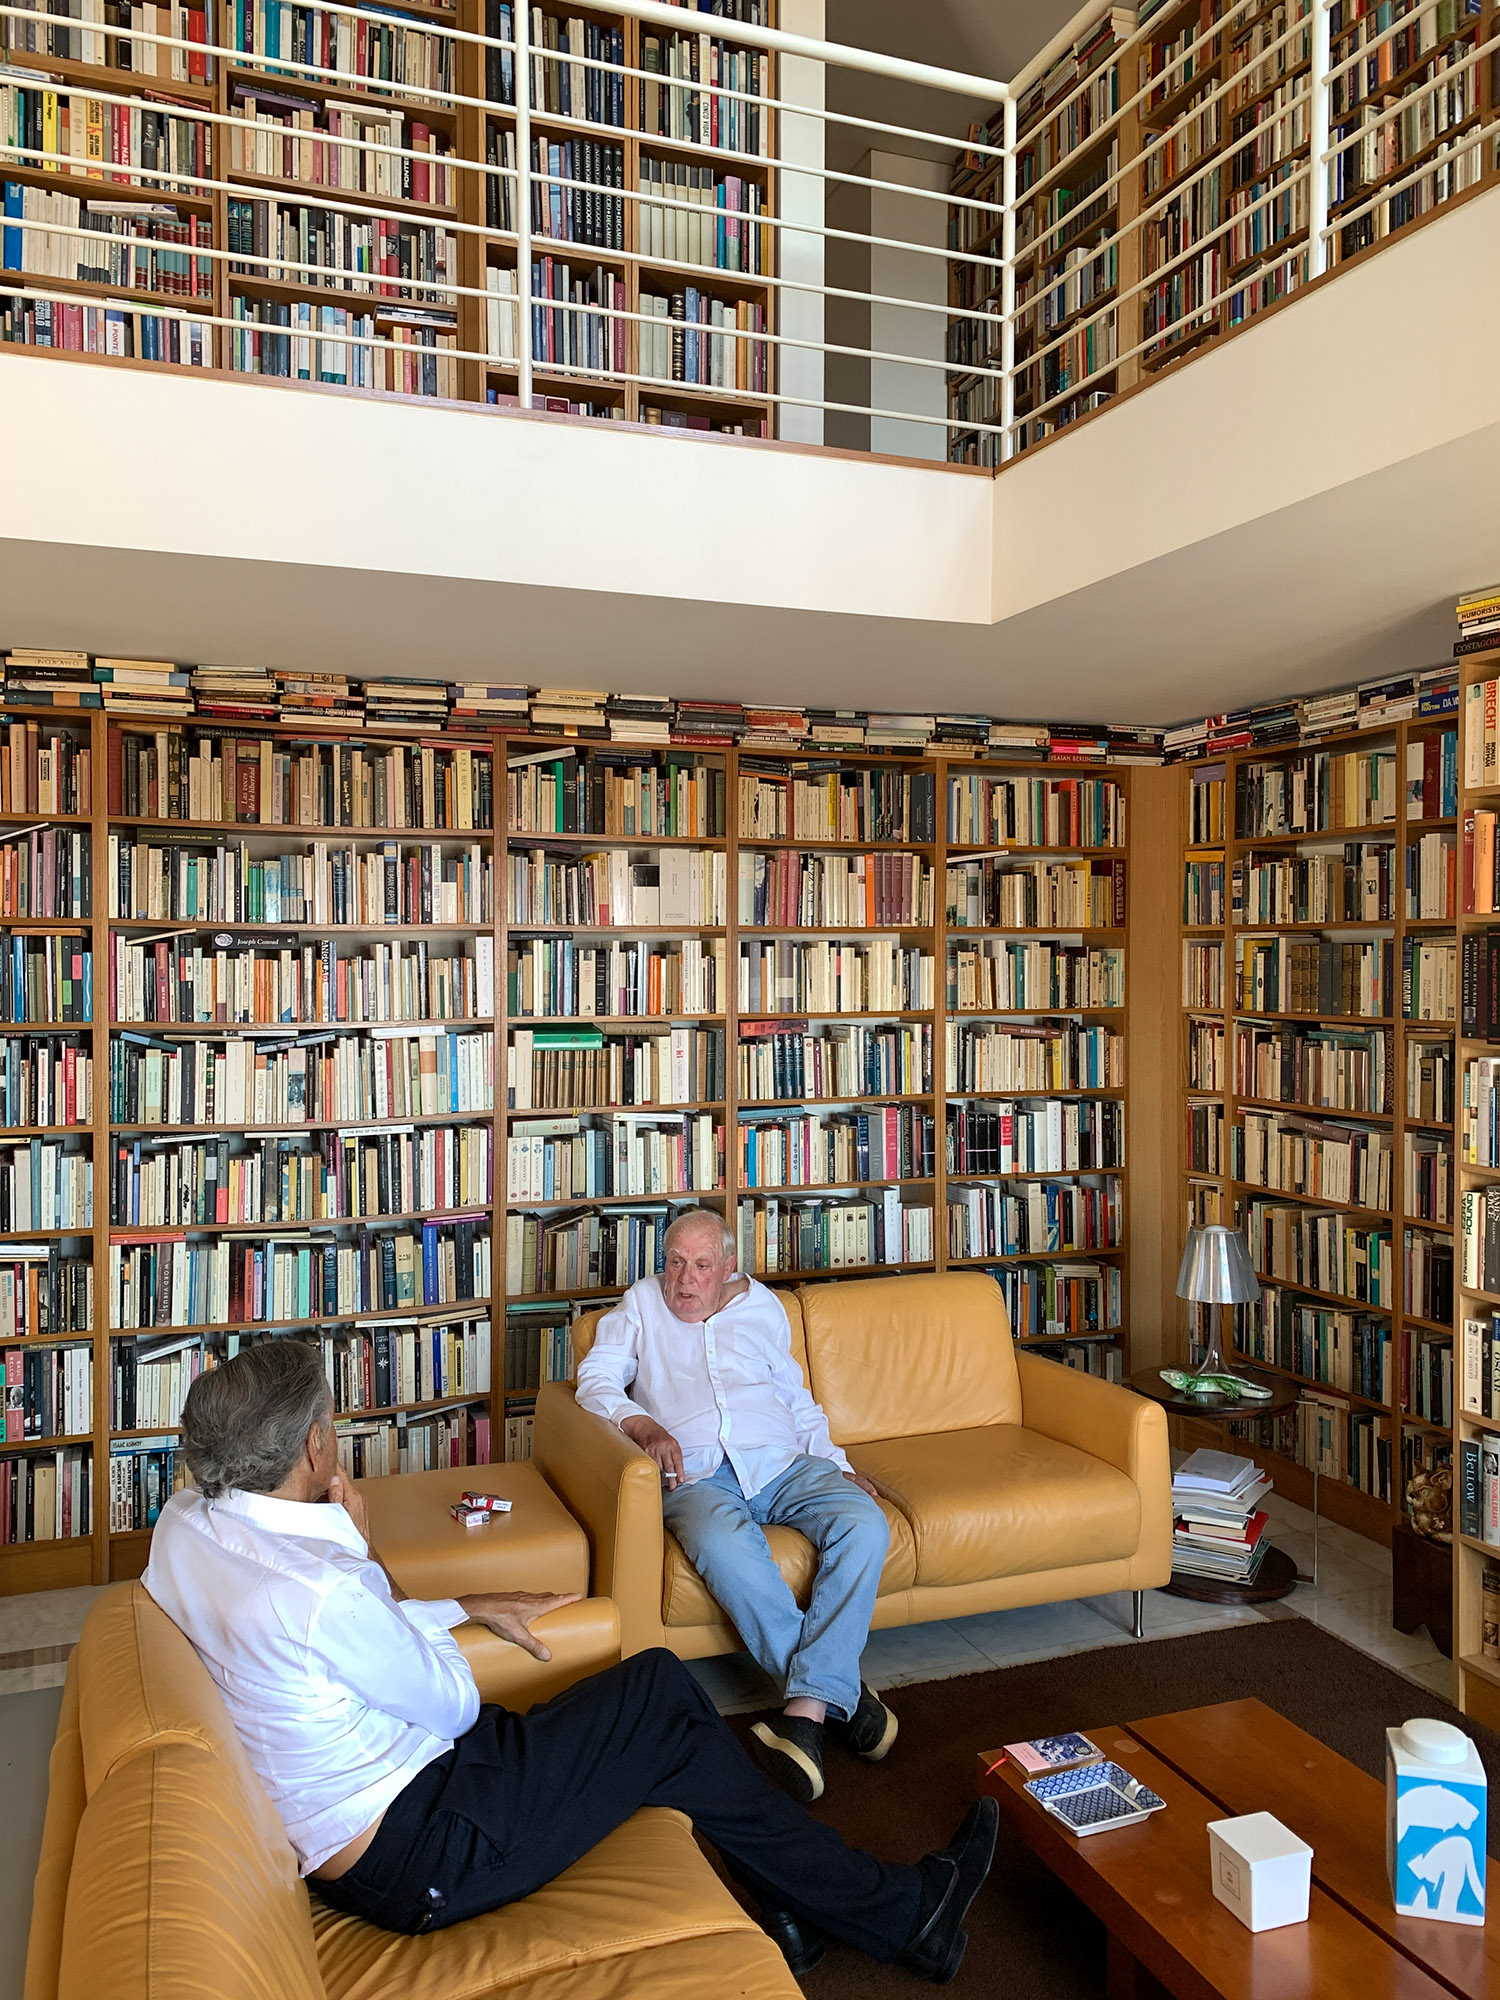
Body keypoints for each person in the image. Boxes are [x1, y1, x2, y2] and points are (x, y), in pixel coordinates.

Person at [141, 1338, 997, 1984]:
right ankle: (899, 1914)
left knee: (663, 1717)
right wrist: (361, 1547)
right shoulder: (326, 1582)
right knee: (662, 1695)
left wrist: (462, 1606)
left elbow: (326, 1652)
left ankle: (798, 1905)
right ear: (317, 1450)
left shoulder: (185, 1527)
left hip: (395, 1810)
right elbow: (450, 1703)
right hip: (424, 1849)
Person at [575, 1206, 893, 1804]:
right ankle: (831, 1695)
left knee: (865, 1524)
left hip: (781, 1462)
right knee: (723, 1545)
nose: (685, 1280)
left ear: (727, 1268)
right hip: (695, 1475)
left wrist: (841, 1466)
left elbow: (795, 1398)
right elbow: (595, 1381)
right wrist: (642, 1425)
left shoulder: (762, 1307)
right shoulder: (640, 1305)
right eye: (674, 1264)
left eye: (700, 1266)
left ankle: (808, 1709)